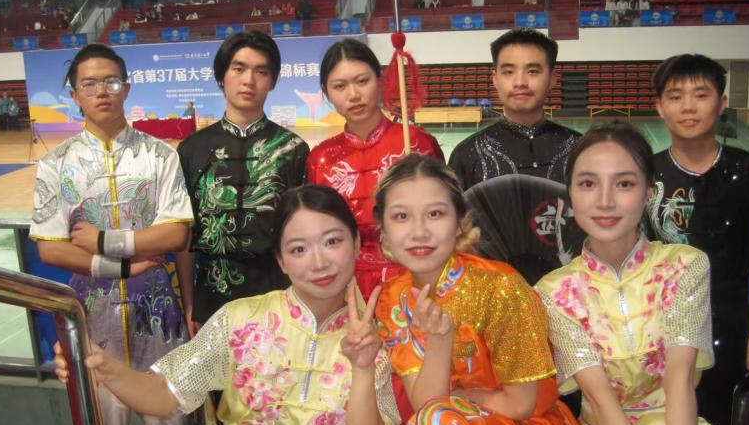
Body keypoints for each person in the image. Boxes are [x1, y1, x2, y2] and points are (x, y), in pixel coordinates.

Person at [54, 184, 402, 425]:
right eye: (299, 249)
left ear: (357, 243)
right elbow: (163, 395)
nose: (319, 262)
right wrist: (105, 367)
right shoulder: (241, 320)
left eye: (333, 241)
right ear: (281, 261)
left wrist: (362, 367)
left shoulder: (370, 341)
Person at [536, 122, 732, 425]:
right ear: (570, 195)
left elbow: (679, 381)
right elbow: (601, 400)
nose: (605, 200)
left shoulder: (685, 266)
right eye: (588, 184)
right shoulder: (554, 292)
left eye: (624, 184)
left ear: (648, 194)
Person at [373, 154, 584, 425]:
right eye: (401, 216)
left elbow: (522, 404)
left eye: (435, 214)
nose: (419, 231)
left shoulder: (500, 287)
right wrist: (440, 342)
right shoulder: (392, 298)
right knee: (431, 423)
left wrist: (459, 399)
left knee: (437, 424)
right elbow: (425, 403)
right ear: (383, 231)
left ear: (459, 223)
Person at [30, 43, 194, 425]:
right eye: (90, 84)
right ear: (74, 95)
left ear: (127, 88)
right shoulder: (56, 164)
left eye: (111, 81)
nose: (102, 91)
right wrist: (120, 267)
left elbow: (176, 234)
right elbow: (51, 249)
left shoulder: (160, 156)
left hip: (159, 318)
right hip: (93, 320)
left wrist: (104, 242)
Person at [647, 54, 749, 425]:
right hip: (658, 326)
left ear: (721, 103)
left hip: (730, 323)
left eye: (700, 95)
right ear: (660, 107)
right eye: (676, 97)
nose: (688, 107)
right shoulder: (645, 173)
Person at [175, 31, 309, 337]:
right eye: (238, 69)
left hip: (278, 294)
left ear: (272, 81)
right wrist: (190, 303)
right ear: (221, 77)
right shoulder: (192, 149)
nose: (249, 80)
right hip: (212, 294)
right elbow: (185, 237)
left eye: (261, 72)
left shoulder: (292, 149)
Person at [308, 38, 443, 298]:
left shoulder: (417, 143)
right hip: (344, 285)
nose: (353, 95)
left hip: (413, 276)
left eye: (362, 81)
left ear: (379, 81)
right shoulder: (320, 159)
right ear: (326, 93)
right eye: (340, 86)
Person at [449, 29, 580, 189]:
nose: (520, 82)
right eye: (509, 72)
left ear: (552, 79)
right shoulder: (466, 155)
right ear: (495, 79)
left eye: (532, 71)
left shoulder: (580, 150)